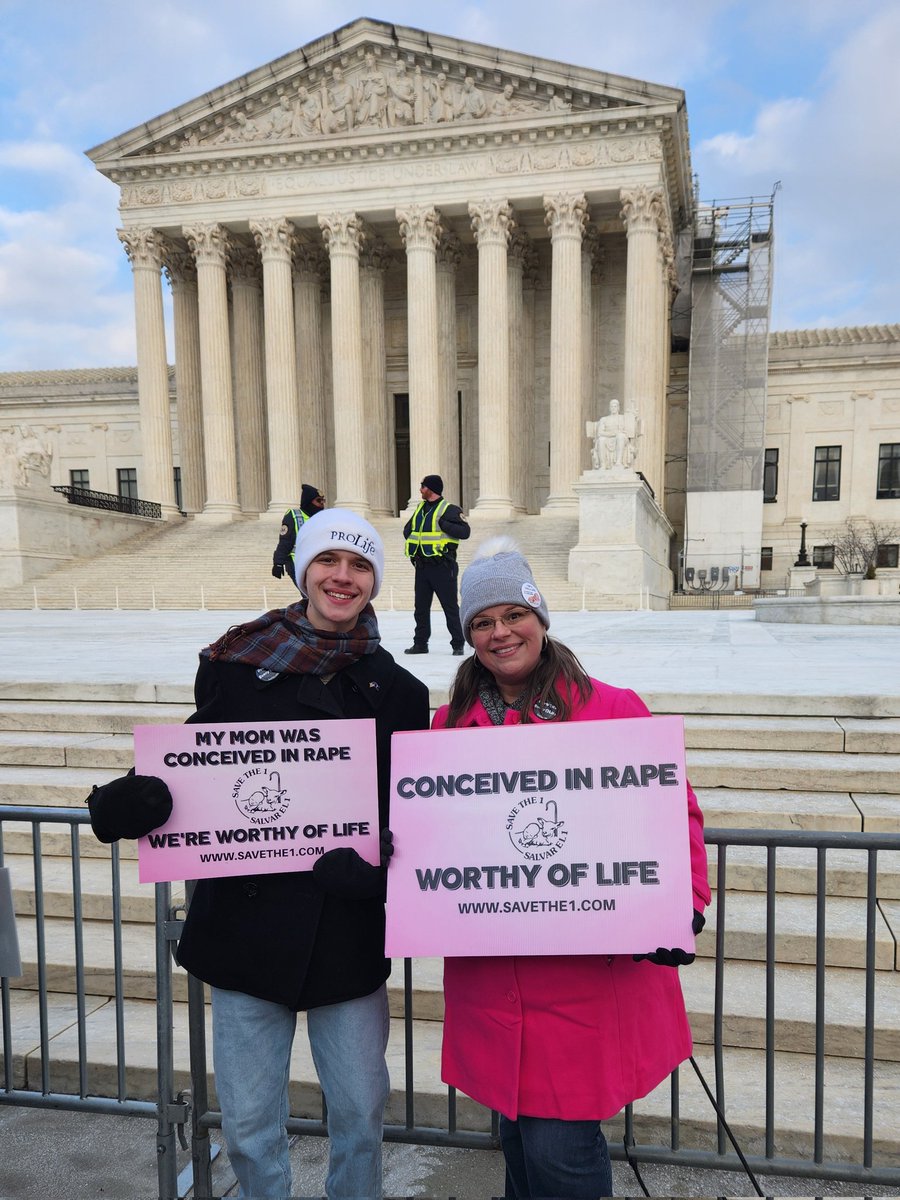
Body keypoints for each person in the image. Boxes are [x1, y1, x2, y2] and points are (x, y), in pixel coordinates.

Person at [86, 511, 430, 1200]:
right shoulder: (234, 666)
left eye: (359, 565)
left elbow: (410, 812)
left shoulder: (399, 692)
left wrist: (379, 870)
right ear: (303, 570)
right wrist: (129, 801)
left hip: (347, 934)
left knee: (361, 1116)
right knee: (246, 1125)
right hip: (246, 931)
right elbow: (194, 766)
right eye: (328, 561)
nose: (343, 576)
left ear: (375, 582)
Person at [431, 537, 710, 1200]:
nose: (500, 633)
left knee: (559, 1152)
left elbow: (676, 815)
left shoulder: (612, 708)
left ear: (541, 616)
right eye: (482, 623)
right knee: (521, 1147)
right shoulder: (447, 728)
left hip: (583, 981)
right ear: (470, 636)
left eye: (512, 615)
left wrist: (683, 901)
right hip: (494, 977)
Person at [403, 474, 470, 656]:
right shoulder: (420, 509)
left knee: (450, 607)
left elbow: (465, 532)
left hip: (442, 566)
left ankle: (458, 644)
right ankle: (420, 644)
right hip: (422, 566)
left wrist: (443, 524)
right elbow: (408, 530)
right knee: (421, 608)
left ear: (431, 489)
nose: (420, 490)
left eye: (423, 486)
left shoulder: (449, 510)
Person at [271, 483, 325, 587]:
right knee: (310, 595)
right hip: (296, 563)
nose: (322, 504)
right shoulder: (294, 516)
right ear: (309, 502)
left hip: (316, 564)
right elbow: (285, 542)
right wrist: (278, 562)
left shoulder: (322, 517)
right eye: (318, 500)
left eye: (323, 500)